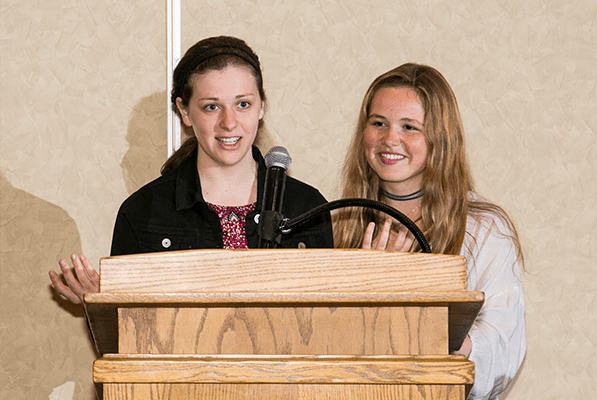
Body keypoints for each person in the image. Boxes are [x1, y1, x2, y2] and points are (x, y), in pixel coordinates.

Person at [49, 35, 333, 304]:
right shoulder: (142, 212)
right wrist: (103, 305)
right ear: (185, 112)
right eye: (211, 107)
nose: (229, 122)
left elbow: (328, 325)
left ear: (262, 106)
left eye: (243, 104)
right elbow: (128, 340)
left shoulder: (307, 208)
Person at [334, 63, 526, 400]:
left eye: (410, 127)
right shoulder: (340, 222)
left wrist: (420, 318)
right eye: (378, 123)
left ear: (440, 137)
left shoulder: (483, 228)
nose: (390, 138)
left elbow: (504, 347)